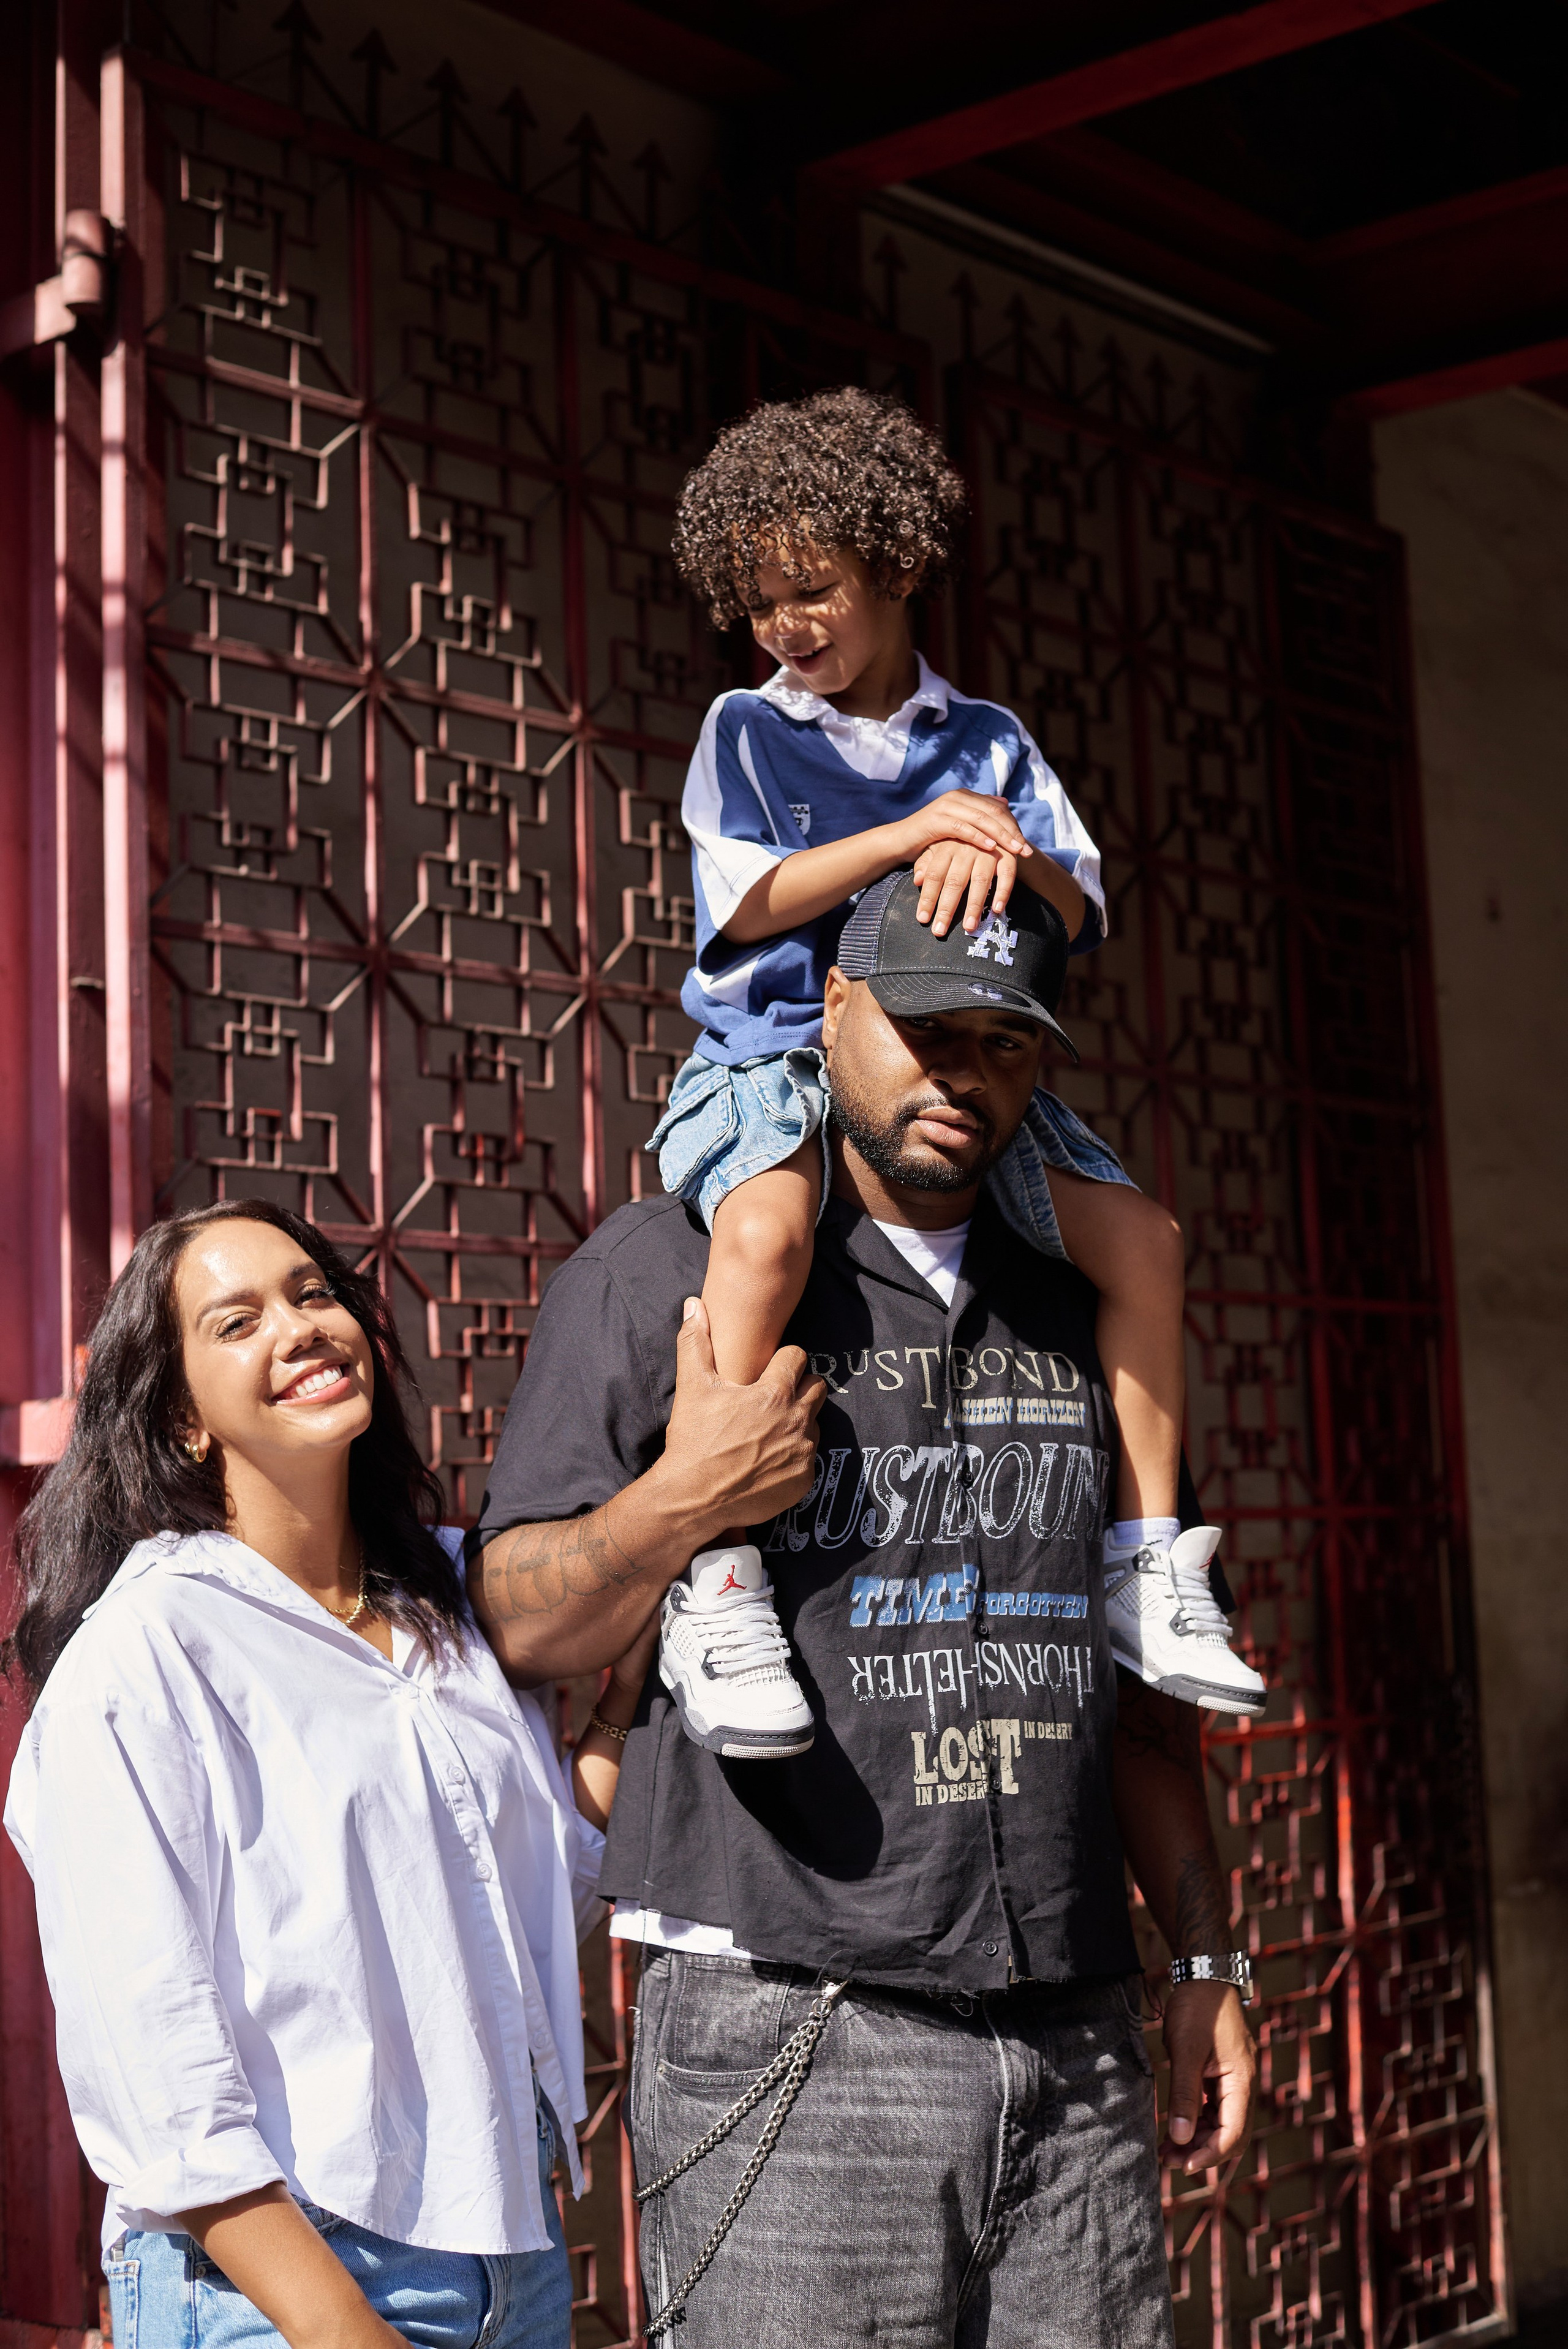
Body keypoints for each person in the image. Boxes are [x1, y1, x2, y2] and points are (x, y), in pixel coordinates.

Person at [469, 886, 1259, 2348]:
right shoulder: (675, 1265)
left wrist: (1204, 1957)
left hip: (1076, 2040)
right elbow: (519, 1618)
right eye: (922, 1030)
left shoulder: (1084, 1301)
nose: (961, 1075)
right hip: (794, 2037)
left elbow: (1134, 1694)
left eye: (1003, 1044)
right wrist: (681, 1501)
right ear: (832, 1012)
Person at [649, 383, 1262, 1758]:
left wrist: (996, 845)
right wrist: (912, 835)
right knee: (760, 1229)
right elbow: (748, 905)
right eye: (756, 602)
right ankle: (720, 1573)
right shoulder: (746, 734)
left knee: (1145, 1242)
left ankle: (1149, 1561)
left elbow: (1077, 905)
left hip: (959, 1063)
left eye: (810, 587)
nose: (784, 625)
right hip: (774, 1056)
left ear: (899, 566)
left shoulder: (987, 740)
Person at [2, 1199, 654, 2349]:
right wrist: (345, 2332)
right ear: (182, 1418)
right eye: (236, 1320)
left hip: (517, 2262)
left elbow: (523, 1910)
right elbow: (151, 2062)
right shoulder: (150, 1652)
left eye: (313, 1295)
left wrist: (613, 1715)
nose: (299, 1328)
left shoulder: (447, 1606)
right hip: (280, 2284)